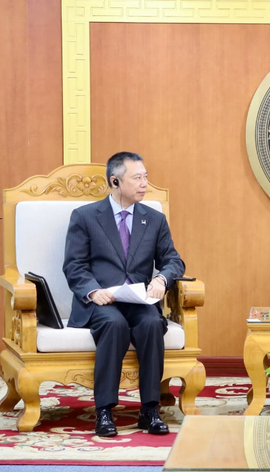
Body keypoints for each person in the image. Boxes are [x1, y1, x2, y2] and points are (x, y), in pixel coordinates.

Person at [63, 151, 186, 437]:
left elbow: (173, 260)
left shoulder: (154, 219)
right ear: (115, 181)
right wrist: (92, 291)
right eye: (137, 178)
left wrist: (161, 280)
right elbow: (74, 265)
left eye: (146, 177)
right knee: (114, 324)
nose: (145, 183)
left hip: (138, 298)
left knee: (152, 323)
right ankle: (104, 411)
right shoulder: (85, 217)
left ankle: (149, 410)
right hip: (102, 300)